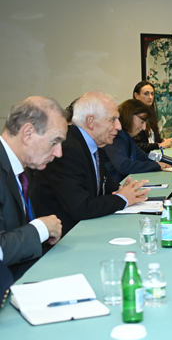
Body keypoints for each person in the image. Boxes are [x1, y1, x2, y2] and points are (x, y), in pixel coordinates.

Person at [31, 92, 149, 237]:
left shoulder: (93, 143)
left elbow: (104, 182)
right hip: (65, 238)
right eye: (113, 120)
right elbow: (80, 207)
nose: (118, 126)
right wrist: (122, 199)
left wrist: (124, 190)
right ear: (91, 121)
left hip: (86, 228)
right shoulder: (67, 148)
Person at [0, 97, 66, 279]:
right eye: (55, 142)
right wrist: (41, 229)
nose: (59, 153)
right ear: (28, 133)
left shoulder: (25, 168)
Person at [103, 99, 170, 182]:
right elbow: (123, 166)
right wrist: (156, 165)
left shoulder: (126, 135)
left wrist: (168, 162)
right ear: (130, 116)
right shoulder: (116, 136)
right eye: (142, 122)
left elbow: (142, 156)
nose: (144, 128)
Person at [132, 81, 172, 152]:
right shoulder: (133, 116)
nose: (150, 97)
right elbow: (135, 146)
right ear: (136, 95)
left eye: (152, 94)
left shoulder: (151, 113)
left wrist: (163, 141)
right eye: (146, 94)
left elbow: (153, 139)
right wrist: (159, 145)